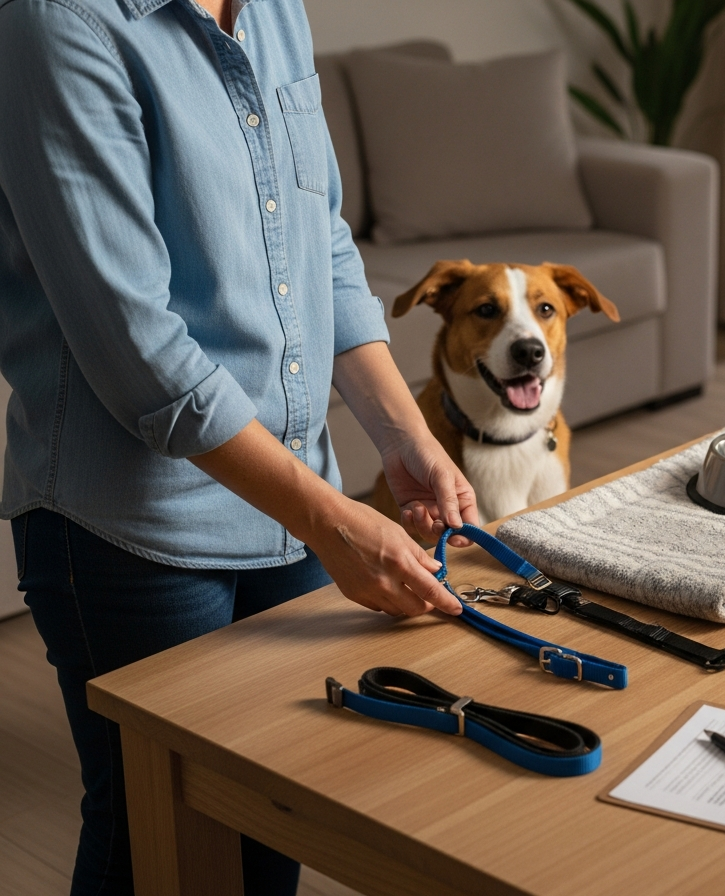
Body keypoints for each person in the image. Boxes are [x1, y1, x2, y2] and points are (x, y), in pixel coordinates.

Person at [0, 0, 479, 893]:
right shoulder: (56, 22)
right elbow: (142, 353)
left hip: (295, 510)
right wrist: (335, 521)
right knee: (152, 842)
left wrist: (402, 434)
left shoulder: (271, 8)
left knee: (274, 820)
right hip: (134, 530)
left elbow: (321, 239)